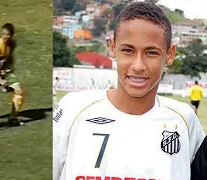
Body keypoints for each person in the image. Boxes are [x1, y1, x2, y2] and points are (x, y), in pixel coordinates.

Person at [53, 2, 205, 180]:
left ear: (169, 54)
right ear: (112, 48)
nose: (138, 66)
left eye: (151, 53)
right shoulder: (72, 110)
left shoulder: (184, 120)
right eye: (127, 50)